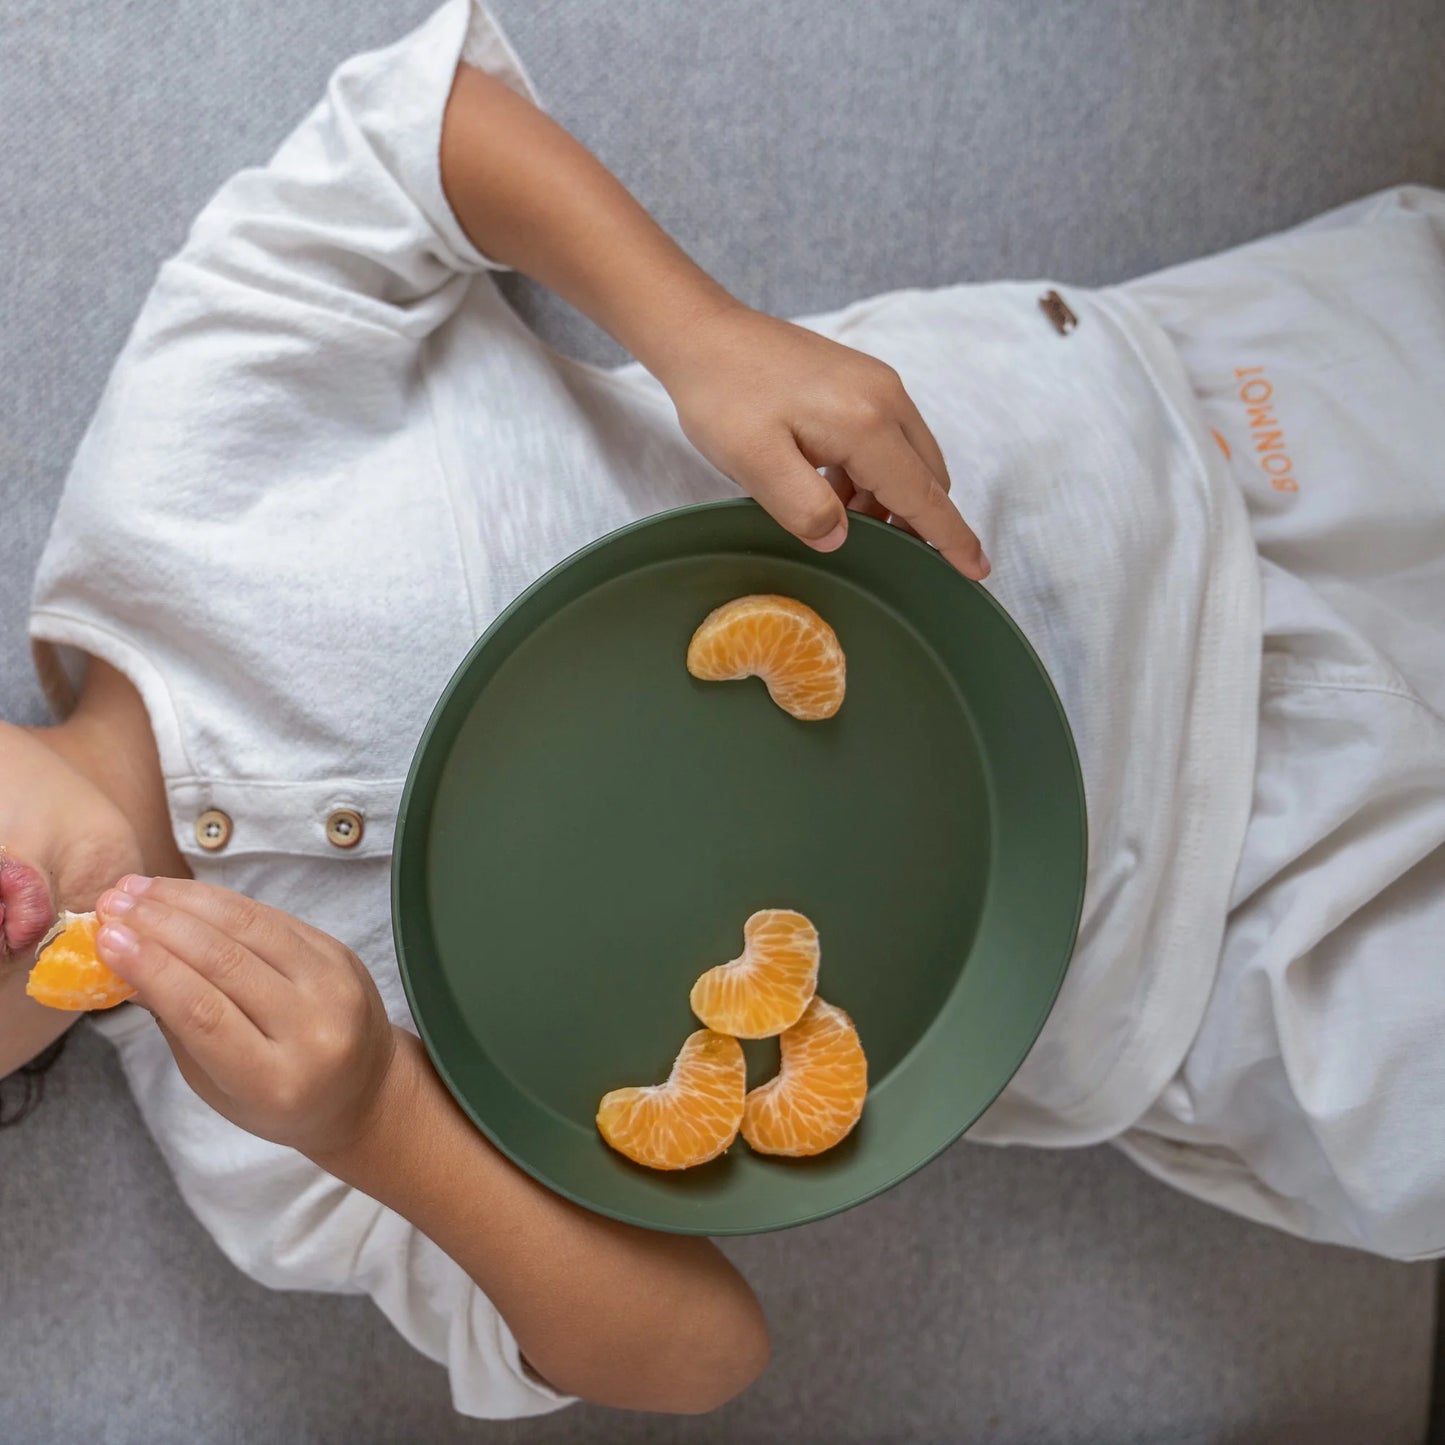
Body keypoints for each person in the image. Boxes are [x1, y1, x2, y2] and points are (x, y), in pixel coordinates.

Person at [2, 0, 1442, 1419]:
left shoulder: (177, 476)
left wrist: (698, 330)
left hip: (1152, 465)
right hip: (1203, 959)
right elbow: (697, 1352)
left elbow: (408, 131)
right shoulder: (264, 1154)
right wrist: (376, 1115)